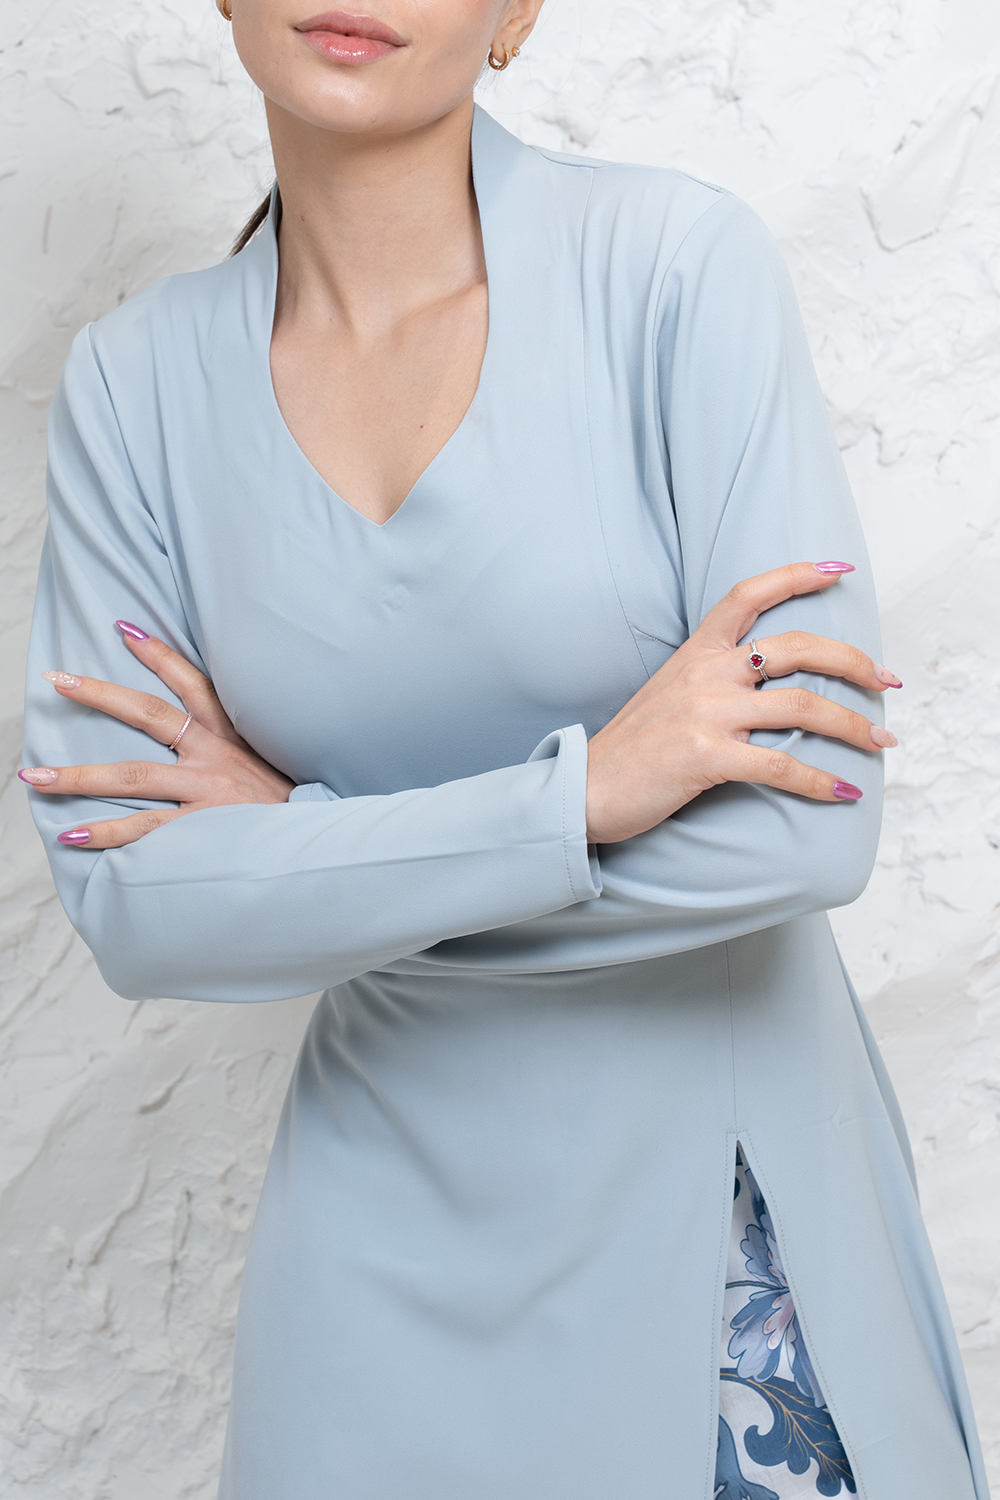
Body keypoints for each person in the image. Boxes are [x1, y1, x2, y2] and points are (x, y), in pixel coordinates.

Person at [18, 2, 988, 1497]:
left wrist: (302, 843)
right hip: (372, 1269)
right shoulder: (134, 388)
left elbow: (807, 829)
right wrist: (585, 795)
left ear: (519, 8)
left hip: (720, 1246)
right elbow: (140, 908)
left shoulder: (672, 272)